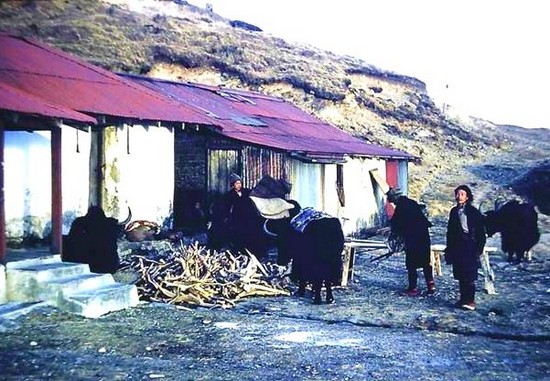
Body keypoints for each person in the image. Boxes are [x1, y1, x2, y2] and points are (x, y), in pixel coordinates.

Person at [386, 188, 435, 296]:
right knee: (425, 262)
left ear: (394, 199)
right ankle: (431, 285)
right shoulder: (411, 202)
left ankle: (413, 288)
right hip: (423, 236)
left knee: (411, 263)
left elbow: (397, 223)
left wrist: (391, 231)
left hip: (413, 237)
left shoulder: (401, 206)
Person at [445, 185, 486, 311]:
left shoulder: (473, 212)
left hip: (470, 245)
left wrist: (479, 248)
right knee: (460, 273)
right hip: (458, 245)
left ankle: (470, 301)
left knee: (469, 274)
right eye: (457, 194)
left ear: (467, 197)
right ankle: (463, 299)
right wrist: (449, 248)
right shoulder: (453, 211)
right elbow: (450, 231)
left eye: (462, 194)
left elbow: (480, 231)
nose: (459, 196)